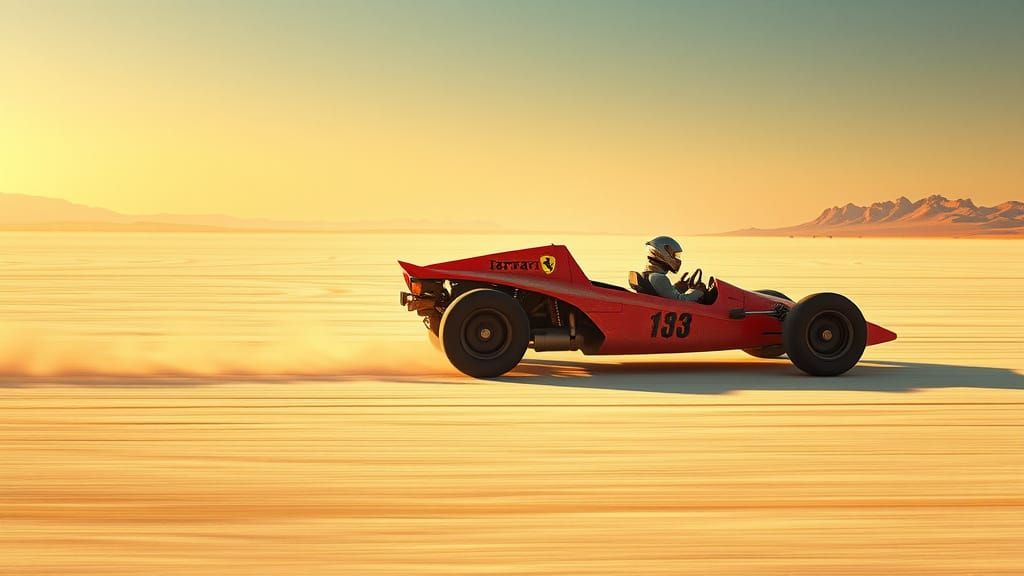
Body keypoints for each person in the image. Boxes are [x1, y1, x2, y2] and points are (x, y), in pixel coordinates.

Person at [642, 236, 705, 302]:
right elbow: (679, 302)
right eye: (675, 255)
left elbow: (665, 296)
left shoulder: (649, 275)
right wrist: (699, 291)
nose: (678, 259)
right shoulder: (658, 278)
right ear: (664, 253)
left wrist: (677, 288)